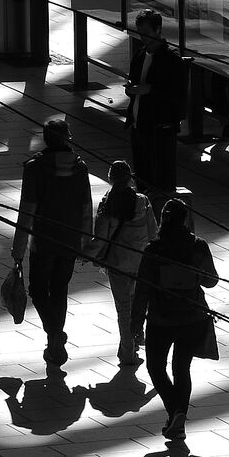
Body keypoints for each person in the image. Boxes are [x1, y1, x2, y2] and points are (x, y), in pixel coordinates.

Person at [10, 115, 96, 374]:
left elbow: (28, 210)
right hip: (69, 242)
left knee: (38, 290)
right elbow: (86, 207)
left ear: (44, 139)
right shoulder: (80, 168)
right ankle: (54, 341)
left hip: (43, 241)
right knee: (59, 289)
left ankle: (55, 334)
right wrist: (86, 242)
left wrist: (18, 248)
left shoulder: (35, 168)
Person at [131, 198, 219, 441]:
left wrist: (135, 325)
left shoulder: (154, 249)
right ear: (185, 219)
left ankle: (175, 411)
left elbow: (142, 290)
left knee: (155, 367)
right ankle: (178, 420)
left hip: (161, 319)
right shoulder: (198, 246)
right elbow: (211, 280)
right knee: (182, 368)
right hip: (193, 316)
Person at [87, 160, 154, 381]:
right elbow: (154, 233)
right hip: (141, 262)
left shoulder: (107, 205)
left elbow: (100, 240)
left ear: (110, 178)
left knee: (123, 308)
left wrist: (85, 255)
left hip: (117, 264)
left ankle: (128, 351)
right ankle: (133, 341)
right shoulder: (143, 202)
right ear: (130, 178)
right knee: (136, 304)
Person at [124, 7, 190, 200]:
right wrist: (131, 89)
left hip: (160, 128)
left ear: (158, 30)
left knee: (161, 179)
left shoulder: (171, 59)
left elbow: (177, 94)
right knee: (142, 177)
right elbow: (135, 84)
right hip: (139, 125)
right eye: (140, 33)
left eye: (146, 33)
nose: (143, 38)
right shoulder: (140, 56)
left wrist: (149, 90)